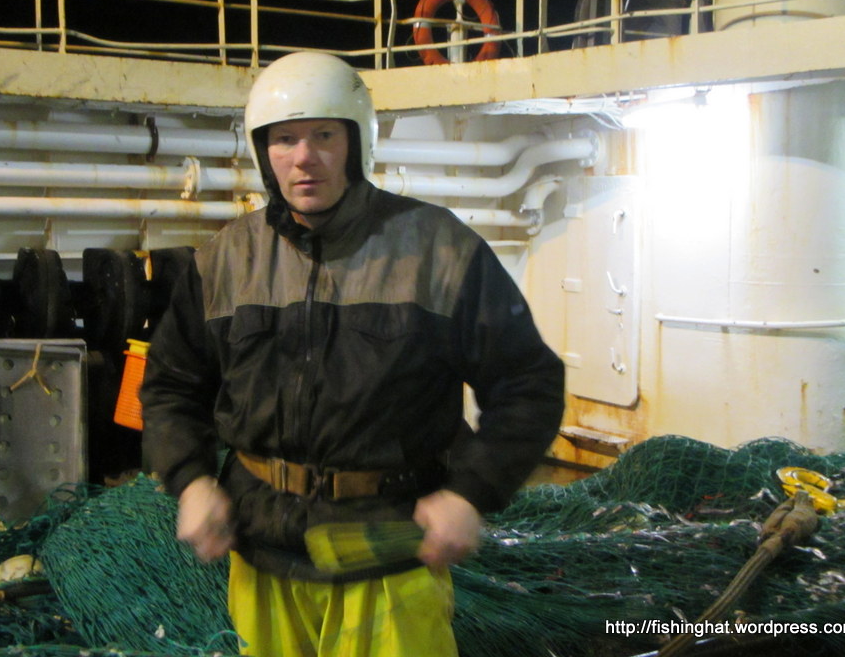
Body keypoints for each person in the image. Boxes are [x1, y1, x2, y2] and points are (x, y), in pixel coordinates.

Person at [140, 51, 565, 657]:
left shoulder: (439, 250)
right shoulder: (224, 261)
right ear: (263, 152)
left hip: (390, 560)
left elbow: (529, 382)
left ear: (356, 143)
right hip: (262, 554)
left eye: (323, 136)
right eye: (284, 139)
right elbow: (171, 386)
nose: (304, 157)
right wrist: (191, 481)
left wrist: (469, 493)